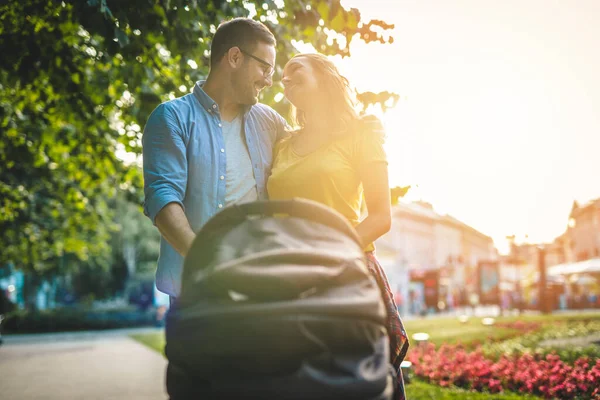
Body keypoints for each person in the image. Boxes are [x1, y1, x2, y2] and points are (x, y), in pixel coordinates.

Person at [268, 53, 410, 400]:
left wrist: (328, 255)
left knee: (359, 383)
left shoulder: (361, 133)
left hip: (346, 271)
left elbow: (380, 217)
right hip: (291, 278)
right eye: (282, 78)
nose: (285, 80)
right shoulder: (282, 143)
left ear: (326, 77)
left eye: (295, 71)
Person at [142, 18, 288, 302]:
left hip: (262, 287)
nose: (269, 80)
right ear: (234, 57)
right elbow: (163, 199)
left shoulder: (270, 122)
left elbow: (310, 152)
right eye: (264, 68)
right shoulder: (172, 117)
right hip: (199, 293)